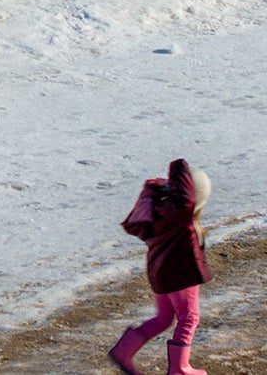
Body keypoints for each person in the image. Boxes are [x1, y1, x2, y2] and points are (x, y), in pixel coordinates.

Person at [109, 159, 213, 375]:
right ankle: (180, 368)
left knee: (164, 317)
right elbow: (186, 199)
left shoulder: (157, 211)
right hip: (180, 275)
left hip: (160, 274)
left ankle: (123, 352)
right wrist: (179, 167)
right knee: (189, 318)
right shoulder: (181, 219)